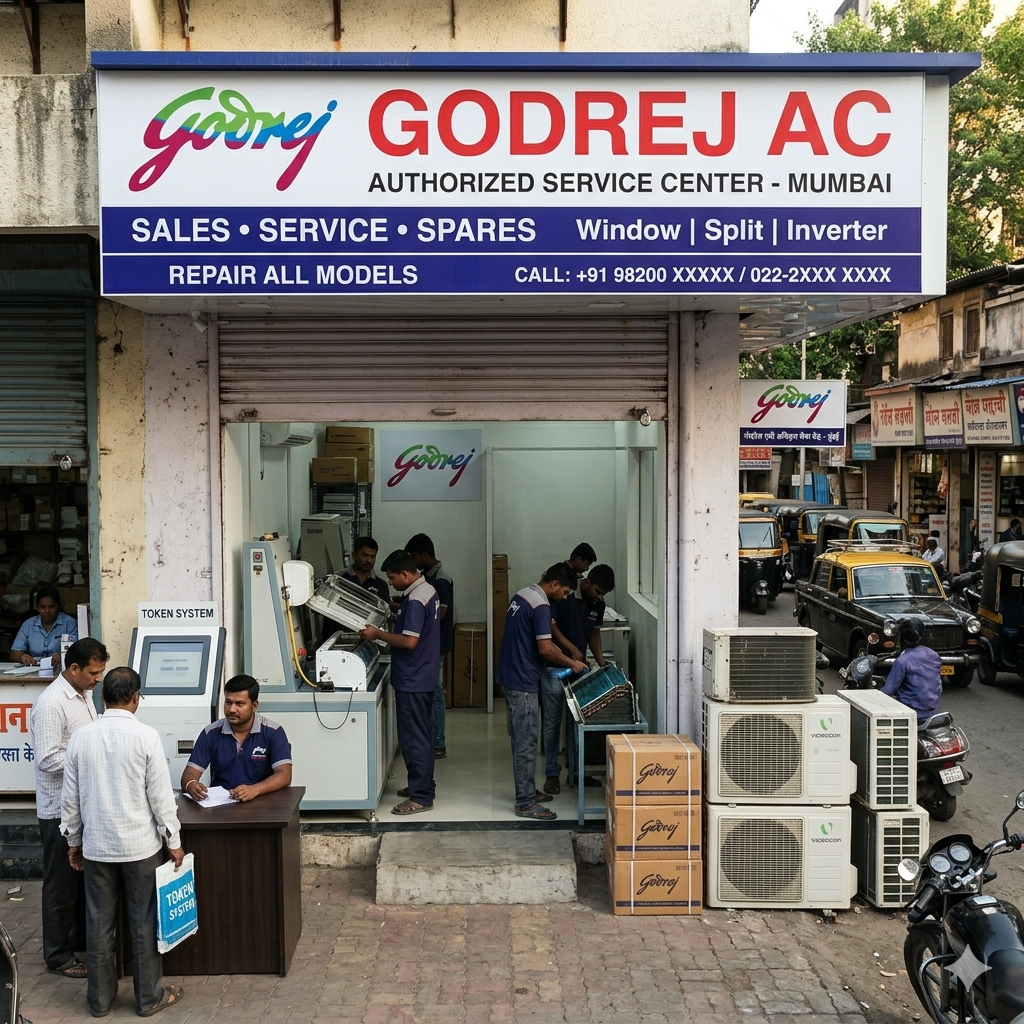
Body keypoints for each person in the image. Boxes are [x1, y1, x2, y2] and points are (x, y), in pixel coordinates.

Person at [61, 666, 185, 1018]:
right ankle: (148, 999)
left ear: (103, 697)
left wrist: (73, 839)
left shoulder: (81, 737)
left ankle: (99, 1002)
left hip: (97, 848)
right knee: (144, 923)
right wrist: (173, 840)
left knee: (98, 925)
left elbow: (70, 799)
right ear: (135, 698)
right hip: (139, 848)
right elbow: (161, 798)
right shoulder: (146, 736)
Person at [29, 637, 107, 980]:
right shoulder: (52, 703)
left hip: (82, 806)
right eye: (93, 672)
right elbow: (47, 759)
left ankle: (77, 941)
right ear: (73, 669)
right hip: (59, 810)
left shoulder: (84, 695)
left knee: (79, 882)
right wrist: (90, 757)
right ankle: (58, 955)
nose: (98, 679)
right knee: (60, 886)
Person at [497, 564, 587, 820]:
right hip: (523, 681)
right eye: (566, 591)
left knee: (519, 740)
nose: (565, 597)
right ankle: (525, 802)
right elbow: (546, 650)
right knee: (526, 743)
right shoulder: (541, 605)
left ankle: (527, 790)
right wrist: (573, 663)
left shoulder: (522, 594)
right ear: (555, 584)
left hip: (509, 675)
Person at [360, 550, 439, 815]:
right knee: (422, 734)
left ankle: (421, 796)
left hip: (413, 678)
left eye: (393, 578)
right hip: (424, 675)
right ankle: (424, 784)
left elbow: (409, 641)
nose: (390, 583)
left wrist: (377, 634)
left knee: (413, 738)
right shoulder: (426, 590)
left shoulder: (415, 600)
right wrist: (397, 613)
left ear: (405, 574)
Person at [543, 565, 616, 794]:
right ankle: (552, 774)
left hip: (578, 669)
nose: (599, 596)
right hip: (555, 667)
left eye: (603, 594)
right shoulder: (564, 597)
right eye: (597, 591)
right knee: (553, 722)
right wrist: (571, 650)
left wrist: (600, 661)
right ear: (586, 582)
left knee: (580, 722)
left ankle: (578, 771)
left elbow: (594, 632)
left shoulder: (598, 605)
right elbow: (551, 628)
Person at [180, 674, 292, 803]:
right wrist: (191, 785)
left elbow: (284, 775)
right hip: (221, 805)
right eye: (228, 702)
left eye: (239, 704)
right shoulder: (210, 733)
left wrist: (254, 789)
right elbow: (188, 775)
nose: (232, 709)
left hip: (262, 801)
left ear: (254, 706)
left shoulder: (273, 732)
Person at [405, 534, 453, 759]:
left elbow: (440, 613)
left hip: (436, 646)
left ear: (424, 555)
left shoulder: (442, 579)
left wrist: (412, 613)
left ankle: (438, 742)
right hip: (429, 646)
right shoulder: (427, 578)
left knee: (435, 692)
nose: (412, 563)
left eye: (414, 557)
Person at [882, 620, 942, 722]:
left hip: (912, 713)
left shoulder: (902, 661)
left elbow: (888, 690)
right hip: (933, 712)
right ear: (921, 636)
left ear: (903, 638)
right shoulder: (934, 655)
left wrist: (873, 695)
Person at [11, 587, 78, 668]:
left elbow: (77, 651)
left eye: (52, 606)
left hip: (60, 669)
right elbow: (14, 653)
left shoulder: (70, 623)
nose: (47, 611)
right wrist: (22, 656)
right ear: (37, 608)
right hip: (34, 669)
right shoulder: (28, 624)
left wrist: (62, 655)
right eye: (43, 607)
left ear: (58, 606)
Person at [340, 536, 391, 606]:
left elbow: (384, 613)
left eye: (373, 557)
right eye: (364, 555)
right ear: (354, 555)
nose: (369, 560)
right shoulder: (338, 578)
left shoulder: (381, 585)